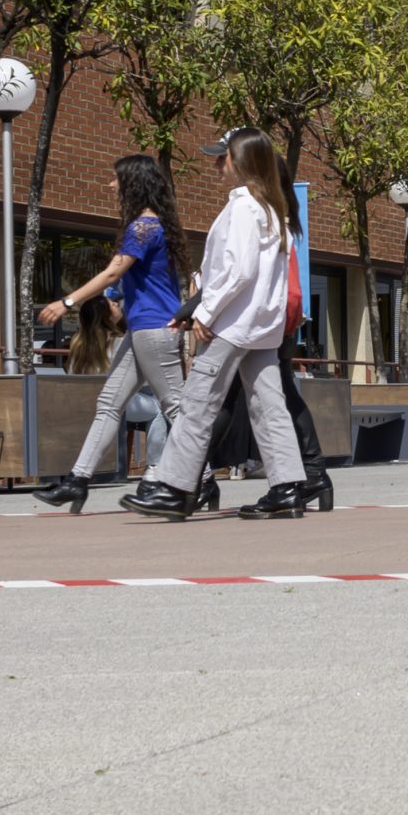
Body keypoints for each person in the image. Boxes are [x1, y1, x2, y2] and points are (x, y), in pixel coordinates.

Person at [121, 127, 308, 520]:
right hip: (259, 327)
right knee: (269, 405)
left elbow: (237, 271)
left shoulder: (242, 207)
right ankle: (288, 485)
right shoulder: (274, 210)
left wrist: (205, 313)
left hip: (232, 324)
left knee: (196, 403)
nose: (216, 164)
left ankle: (174, 488)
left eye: (222, 157)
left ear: (241, 161)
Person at [35, 156, 190, 514]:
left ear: (133, 183)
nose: (110, 186)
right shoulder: (153, 224)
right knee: (109, 404)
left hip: (154, 329)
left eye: (115, 179)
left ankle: (201, 478)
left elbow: (111, 275)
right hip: (142, 330)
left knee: (175, 409)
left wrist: (67, 301)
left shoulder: (143, 227)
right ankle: (78, 480)